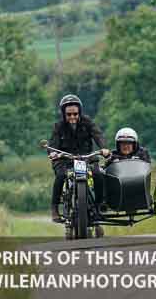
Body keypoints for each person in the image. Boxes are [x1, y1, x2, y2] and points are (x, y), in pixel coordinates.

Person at [48, 94, 110, 225]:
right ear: (64, 114)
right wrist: (53, 152)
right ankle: (54, 208)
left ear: (79, 112)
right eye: (69, 114)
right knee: (60, 175)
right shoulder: (58, 126)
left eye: (75, 114)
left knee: (98, 174)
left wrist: (104, 148)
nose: (72, 117)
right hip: (65, 158)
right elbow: (53, 142)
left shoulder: (87, 122)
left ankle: (99, 205)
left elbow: (98, 135)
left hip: (86, 157)